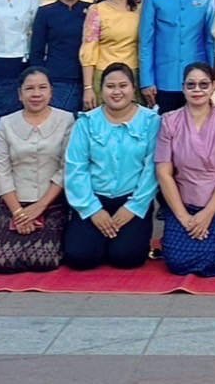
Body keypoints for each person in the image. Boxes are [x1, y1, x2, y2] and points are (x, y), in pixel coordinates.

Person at [62, 63, 160, 271]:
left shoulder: (151, 121)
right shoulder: (86, 123)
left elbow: (152, 170)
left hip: (132, 199)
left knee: (126, 258)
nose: (117, 92)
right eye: (110, 86)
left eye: (123, 85)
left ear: (133, 89)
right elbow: (76, 169)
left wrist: (133, 208)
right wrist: (92, 210)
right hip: (94, 198)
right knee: (80, 258)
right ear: (101, 89)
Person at [155, 62, 215, 277]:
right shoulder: (169, 121)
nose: (197, 90)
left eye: (203, 85)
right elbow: (164, 172)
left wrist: (207, 213)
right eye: (191, 85)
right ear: (183, 88)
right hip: (181, 202)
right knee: (176, 262)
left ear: (213, 87)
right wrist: (184, 217)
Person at [0, 67, 75, 274]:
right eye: (30, 89)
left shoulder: (66, 120)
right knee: (1, 263)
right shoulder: (5, 123)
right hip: (15, 202)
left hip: (52, 202)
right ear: (20, 94)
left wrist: (41, 206)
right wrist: (18, 213)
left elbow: (66, 167)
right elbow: (1, 168)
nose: (36, 94)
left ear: (51, 92)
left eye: (42, 88)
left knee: (44, 261)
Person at [139, 0, 215, 112]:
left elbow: (211, 40)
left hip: (198, 79)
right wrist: (146, 80)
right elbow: (146, 41)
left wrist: (213, 77)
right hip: (164, 79)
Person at [79, 0, 143, 111]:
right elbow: (89, 49)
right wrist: (88, 87)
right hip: (105, 76)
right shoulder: (97, 10)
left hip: (133, 75)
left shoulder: (141, 9)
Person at [30, 0, 89, 113]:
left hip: (88, 78)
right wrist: (41, 81)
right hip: (57, 78)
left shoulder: (92, 10)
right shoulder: (45, 12)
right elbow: (36, 51)